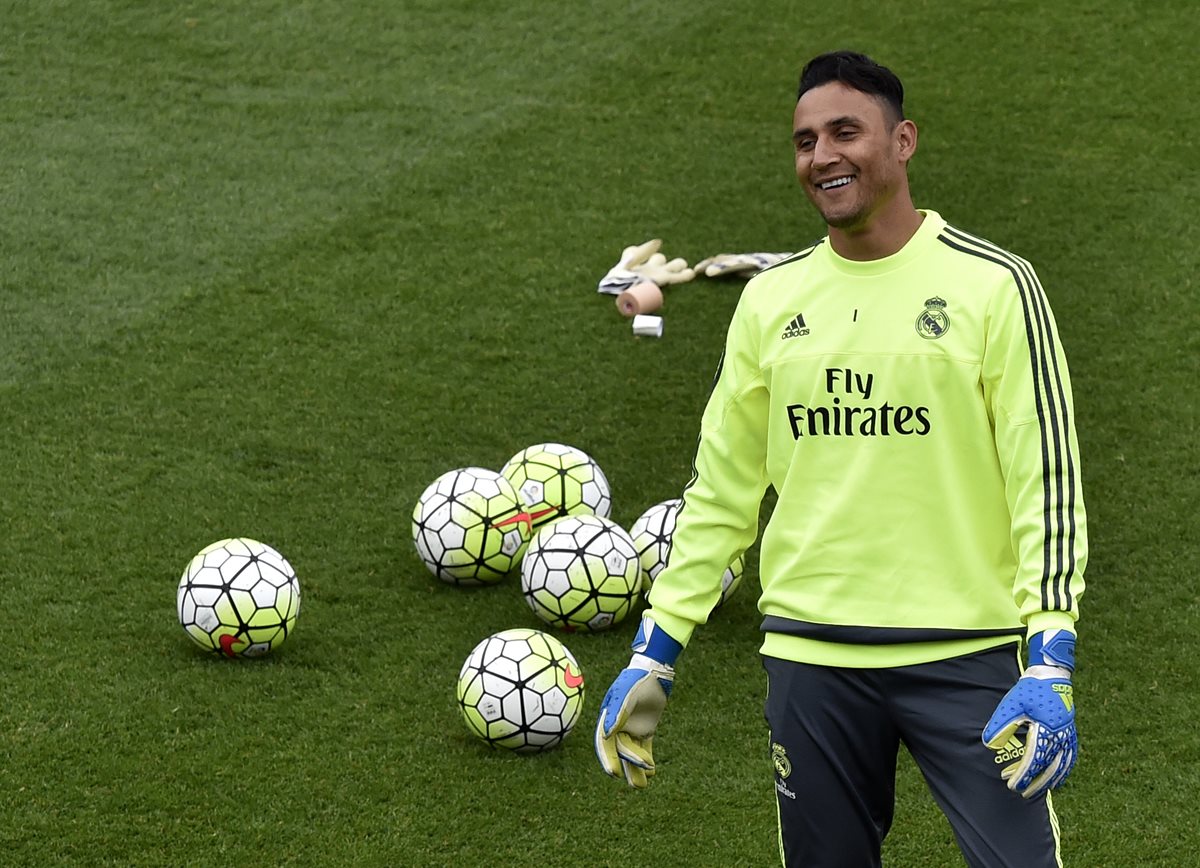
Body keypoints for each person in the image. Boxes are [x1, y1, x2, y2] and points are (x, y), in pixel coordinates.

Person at [594, 50, 1087, 868]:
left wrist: (1050, 654)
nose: (821, 155)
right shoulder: (770, 300)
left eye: (844, 132)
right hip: (810, 658)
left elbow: (1047, 480)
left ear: (903, 141)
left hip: (964, 657)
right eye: (803, 141)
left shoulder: (995, 287)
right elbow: (721, 489)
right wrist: (658, 645)